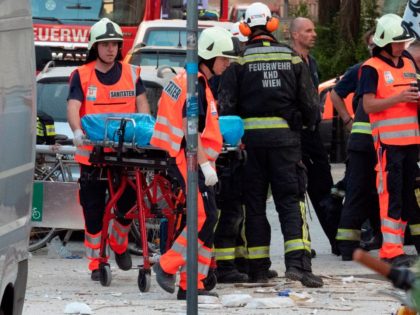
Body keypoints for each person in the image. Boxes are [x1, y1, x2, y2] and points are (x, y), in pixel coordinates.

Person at [218, 2, 323, 287]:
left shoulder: (238, 61)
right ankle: (298, 266)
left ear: (245, 28)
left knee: (253, 206)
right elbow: (312, 107)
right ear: (272, 25)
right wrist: (303, 124)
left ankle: (258, 268)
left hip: (249, 148)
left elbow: (225, 108)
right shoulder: (291, 58)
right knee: (290, 202)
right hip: (286, 145)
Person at [151, 26, 237, 299]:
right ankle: (166, 266)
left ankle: (193, 285)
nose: (227, 64)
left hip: (189, 158)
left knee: (207, 218)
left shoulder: (192, 80)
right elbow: (192, 130)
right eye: (224, 59)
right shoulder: (195, 84)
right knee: (205, 217)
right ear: (209, 56)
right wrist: (204, 165)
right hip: (189, 159)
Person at [67, 18, 151, 280]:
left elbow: (143, 107)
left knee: (129, 203)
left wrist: (144, 133)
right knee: (93, 211)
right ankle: (96, 263)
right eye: (105, 45)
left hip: (126, 153)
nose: (111, 49)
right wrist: (77, 131)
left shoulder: (131, 73)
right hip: (93, 154)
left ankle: (118, 241)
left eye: (114, 44)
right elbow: (72, 106)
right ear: (95, 47)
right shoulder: (82, 75)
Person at [361, 13, 420, 266]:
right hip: (388, 144)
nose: (401, 46)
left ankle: (397, 247)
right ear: (384, 42)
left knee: (407, 195)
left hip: (411, 143)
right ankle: (390, 250)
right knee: (390, 195)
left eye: (404, 42)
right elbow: (368, 105)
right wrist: (399, 98)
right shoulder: (371, 68)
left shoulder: (408, 65)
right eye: (397, 42)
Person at [290, 17, 340, 255]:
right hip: (295, 134)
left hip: (313, 134)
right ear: (295, 35)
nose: (314, 34)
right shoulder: (288, 62)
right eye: (308, 31)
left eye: (314, 29)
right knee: (296, 189)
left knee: (324, 186)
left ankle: (337, 239)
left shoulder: (312, 63)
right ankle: (301, 244)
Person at [333, 30, 382, 260]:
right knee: (357, 192)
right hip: (364, 142)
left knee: (379, 192)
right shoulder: (363, 69)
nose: (374, 48)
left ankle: (380, 236)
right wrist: (347, 120)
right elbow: (336, 94)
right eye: (371, 45)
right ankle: (347, 246)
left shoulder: (396, 67)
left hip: (386, 142)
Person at [212, 23, 249, 284]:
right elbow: (225, 112)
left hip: (227, 152)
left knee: (236, 211)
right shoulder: (224, 75)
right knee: (228, 211)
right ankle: (224, 265)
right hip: (221, 155)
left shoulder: (223, 72)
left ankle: (236, 261)